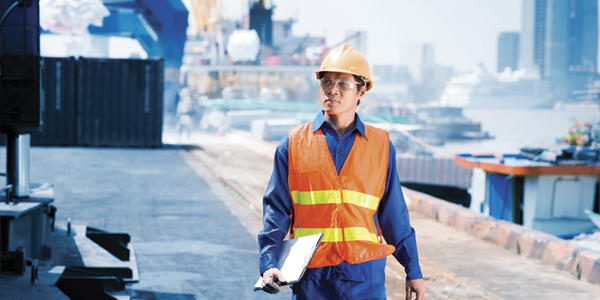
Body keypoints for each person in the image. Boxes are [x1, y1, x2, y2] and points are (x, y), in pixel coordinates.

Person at [258, 44, 426, 300]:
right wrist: (269, 263)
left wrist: (413, 270)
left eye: (343, 83)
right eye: (327, 81)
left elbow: (395, 216)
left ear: (362, 91)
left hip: (364, 277)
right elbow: (276, 211)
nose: (333, 90)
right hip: (311, 277)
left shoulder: (381, 146)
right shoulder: (292, 144)